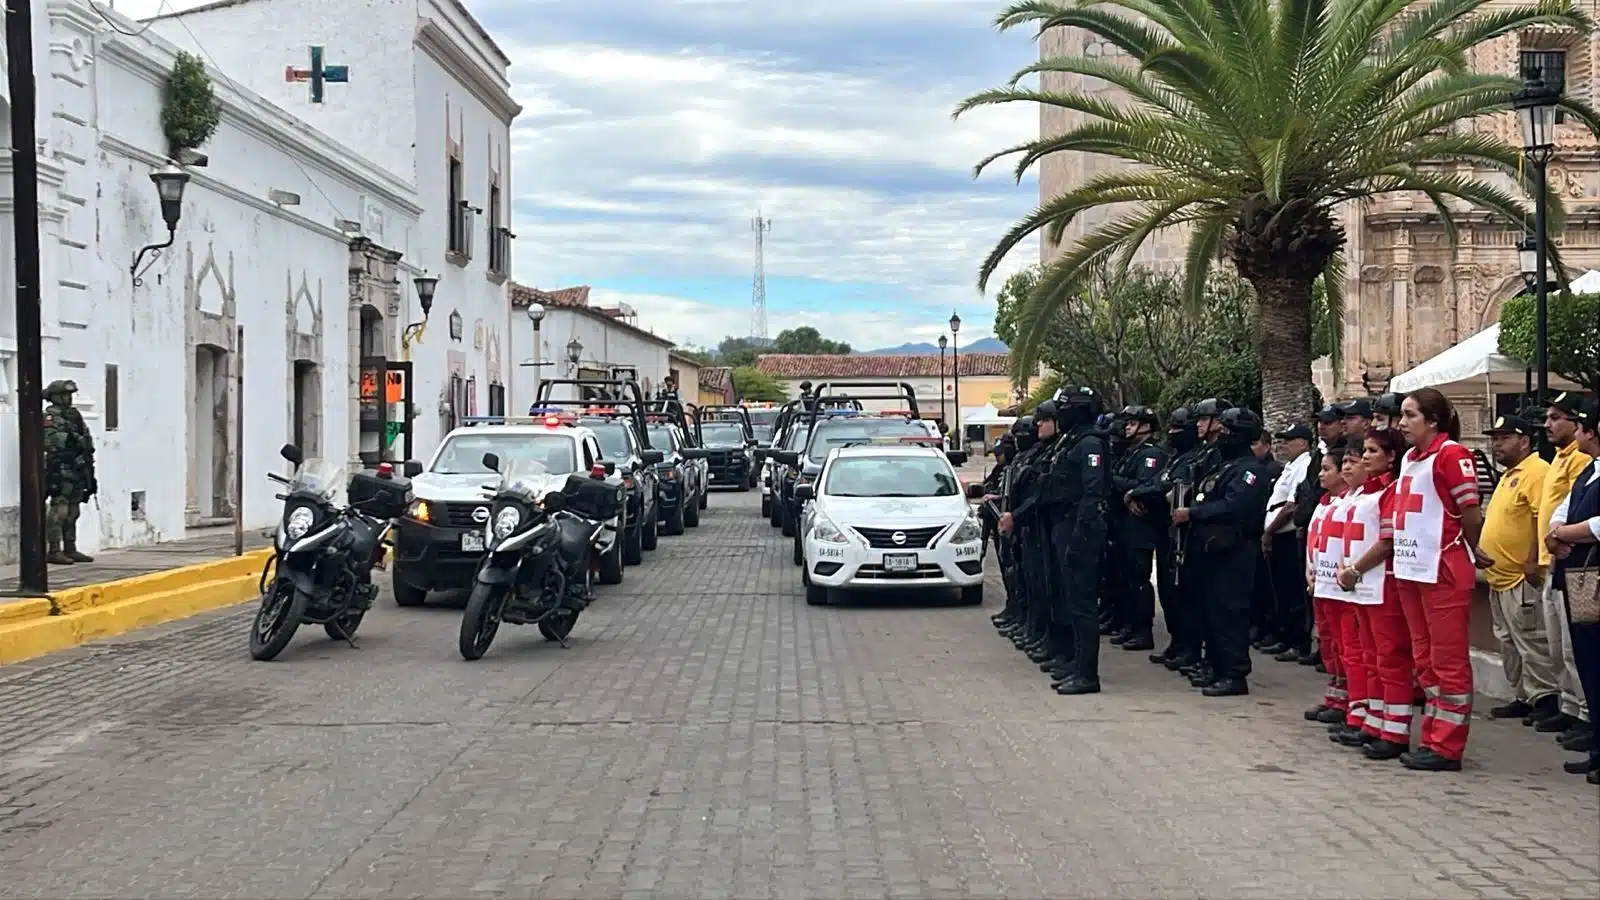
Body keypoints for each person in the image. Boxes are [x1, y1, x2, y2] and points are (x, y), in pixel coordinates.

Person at [1391, 388, 1491, 771]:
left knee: (1447, 660)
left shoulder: (1452, 455)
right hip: (1413, 569)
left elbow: (1471, 511)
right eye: (1402, 415)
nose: (1401, 423)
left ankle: (1447, 746)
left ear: (1432, 421)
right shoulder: (1410, 460)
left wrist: (1471, 545)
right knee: (1425, 657)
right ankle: (1432, 735)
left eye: (1410, 415)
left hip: (1442, 569)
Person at [1173, 407, 1269, 696]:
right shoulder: (1225, 466)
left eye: (1227, 432)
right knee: (1211, 610)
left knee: (1230, 612)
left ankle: (1234, 673)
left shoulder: (1249, 471)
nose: (1221, 437)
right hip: (1212, 550)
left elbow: (1234, 506)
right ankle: (1216, 666)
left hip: (1236, 551)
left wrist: (1193, 512)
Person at [1335, 429, 1416, 760]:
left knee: (1391, 657)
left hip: (1384, 584)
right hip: (1365, 587)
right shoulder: (1368, 492)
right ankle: (1375, 721)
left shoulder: (1393, 491)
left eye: (1372, 451)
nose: (1364, 456)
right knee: (1372, 657)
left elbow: (1387, 541)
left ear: (1392, 456)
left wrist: (1354, 571)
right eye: (1363, 450)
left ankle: (1396, 730)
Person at [1476, 414, 1560, 724]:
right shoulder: (1510, 474)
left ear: (1524, 440)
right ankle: (1525, 695)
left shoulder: (1537, 471)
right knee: (1509, 642)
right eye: (1495, 438)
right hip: (1499, 576)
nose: (1496, 444)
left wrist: (1533, 560)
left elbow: (1542, 517)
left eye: (1504, 438)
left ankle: (1546, 698)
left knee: (1531, 639)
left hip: (1521, 576)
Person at [1038, 387, 1111, 695]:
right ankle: (1075, 662)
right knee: (1070, 600)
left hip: (1079, 528)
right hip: (1063, 524)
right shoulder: (1072, 441)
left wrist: (1081, 536)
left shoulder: (1091, 443)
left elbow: (1093, 493)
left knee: (1082, 604)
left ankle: (1087, 674)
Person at [1544, 395, 1600, 782]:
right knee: (1588, 664)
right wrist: (1555, 534)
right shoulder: (1589, 471)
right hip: (1579, 579)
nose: (1574, 433)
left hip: (1594, 578)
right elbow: (1558, 513)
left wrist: (1564, 534)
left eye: (1579, 426)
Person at [1128, 407, 1201, 669]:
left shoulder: (1195, 458)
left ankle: (1189, 648)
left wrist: (1135, 491)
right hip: (1166, 533)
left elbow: (1169, 486)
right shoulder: (1175, 458)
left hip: (1184, 536)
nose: (1173, 434)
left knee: (1184, 595)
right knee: (1169, 594)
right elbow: (1159, 482)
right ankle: (1177, 643)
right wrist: (1137, 492)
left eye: (1178, 430)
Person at [1109, 406, 1167, 652]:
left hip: (1141, 524)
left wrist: (1123, 487)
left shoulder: (1151, 454)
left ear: (1146, 426)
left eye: (1133, 423)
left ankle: (1143, 630)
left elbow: (1146, 484)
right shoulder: (1130, 452)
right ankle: (1130, 625)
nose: (1127, 427)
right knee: (1124, 578)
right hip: (1123, 522)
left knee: (1138, 578)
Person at [1304, 449, 1352, 725]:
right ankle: (1334, 697)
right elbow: (1314, 543)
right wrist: (1309, 570)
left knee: (1346, 647)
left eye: (1327, 469)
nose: (1322, 474)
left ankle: (1348, 700)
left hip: (1338, 587)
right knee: (1328, 644)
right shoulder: (1324, 504)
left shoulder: (1349, 504)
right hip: (1319, 583)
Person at [1262, 423, 1315, 662]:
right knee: (1280, 590)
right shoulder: (1290, 466)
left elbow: (1292, 505)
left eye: (1291, 440)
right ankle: (1286, 637)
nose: (1285, 445)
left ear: (1303, 442)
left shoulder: (1304, 463)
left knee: (1293, 592)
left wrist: (1270, 531)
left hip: (1286, 533)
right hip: (1277, 532)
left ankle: (1298, 641)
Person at [998, 417, 1047, 651]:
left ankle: (1039, 632)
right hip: (1021, 524)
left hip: (1036, 525)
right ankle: (1027, 624)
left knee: (1041, 584)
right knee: (1024, 578)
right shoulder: (1023, 456)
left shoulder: (1041, 455)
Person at [43, 379, 97, 565]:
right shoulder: (50, 416)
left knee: (74, 510)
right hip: (61, 467)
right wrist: (72, 440)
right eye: (64, 395)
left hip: (77, 466)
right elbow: (51, 441)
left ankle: (70, 548)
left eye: (70, 395)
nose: (68, 399)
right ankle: (54, 550)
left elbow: (86, 438)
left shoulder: (74, 415)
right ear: (55, 397)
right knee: (60, 508)